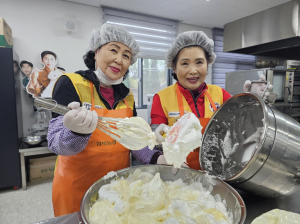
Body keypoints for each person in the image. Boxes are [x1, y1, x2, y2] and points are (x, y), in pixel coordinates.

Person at [132, 31, 272, 170]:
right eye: (185, 63)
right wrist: (159, 142)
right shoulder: (162, 98)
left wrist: (251, 103)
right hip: (178, 174)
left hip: (216, 172)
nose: (193, 70)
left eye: (199, 62)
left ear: (207, 64)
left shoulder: (220, 94)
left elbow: (244, 129)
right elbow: (154, 142)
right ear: (174, 67)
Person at [47, 23, 144, 216]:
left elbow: (134, 140)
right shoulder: (71, 83)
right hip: (77, 187)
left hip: (118, 187)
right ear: (96, 51)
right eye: (113, 50)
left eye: (126, 55)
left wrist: (157, 155)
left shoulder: (128, 96)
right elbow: (56, 143)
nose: (119, 60)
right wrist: (74, 132)